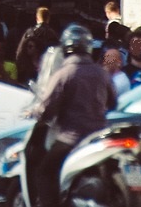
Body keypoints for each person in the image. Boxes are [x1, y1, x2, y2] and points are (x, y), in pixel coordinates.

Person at [28, 24, 116, 207]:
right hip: (99, 136)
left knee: (44, 171)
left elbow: (47, 108)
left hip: (71, 137)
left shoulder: (64, 74)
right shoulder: (101, 73)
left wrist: (35, 112)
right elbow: (114, 102)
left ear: (66, 48)